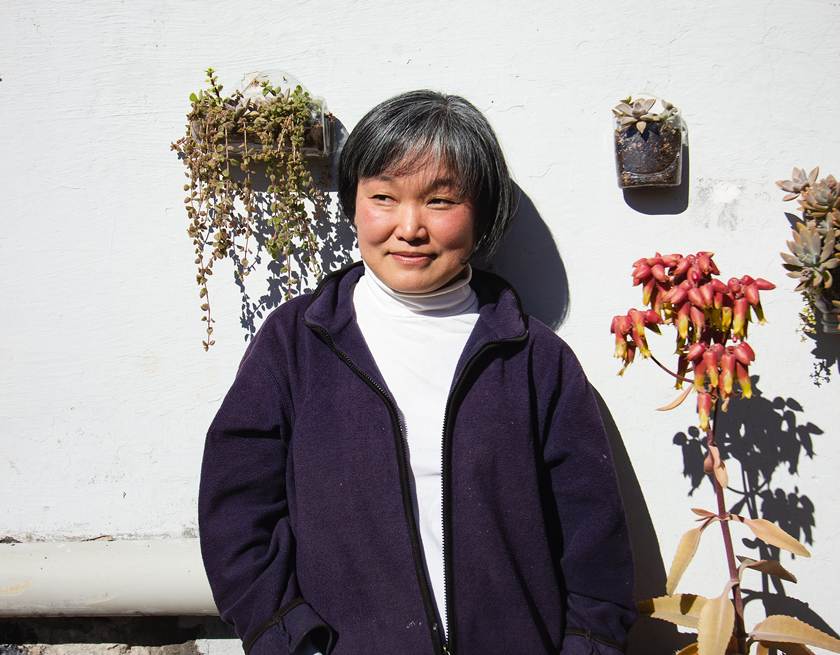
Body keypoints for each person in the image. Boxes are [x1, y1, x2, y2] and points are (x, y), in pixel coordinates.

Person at [199, 90, 637, 655]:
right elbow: (238, 512)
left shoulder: (534, 360)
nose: (409, 227)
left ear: (482, 212)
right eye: (383, 196)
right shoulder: (295, 344)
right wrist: (287, 638)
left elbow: (593, 536)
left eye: (440, 201)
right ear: (354, 204)